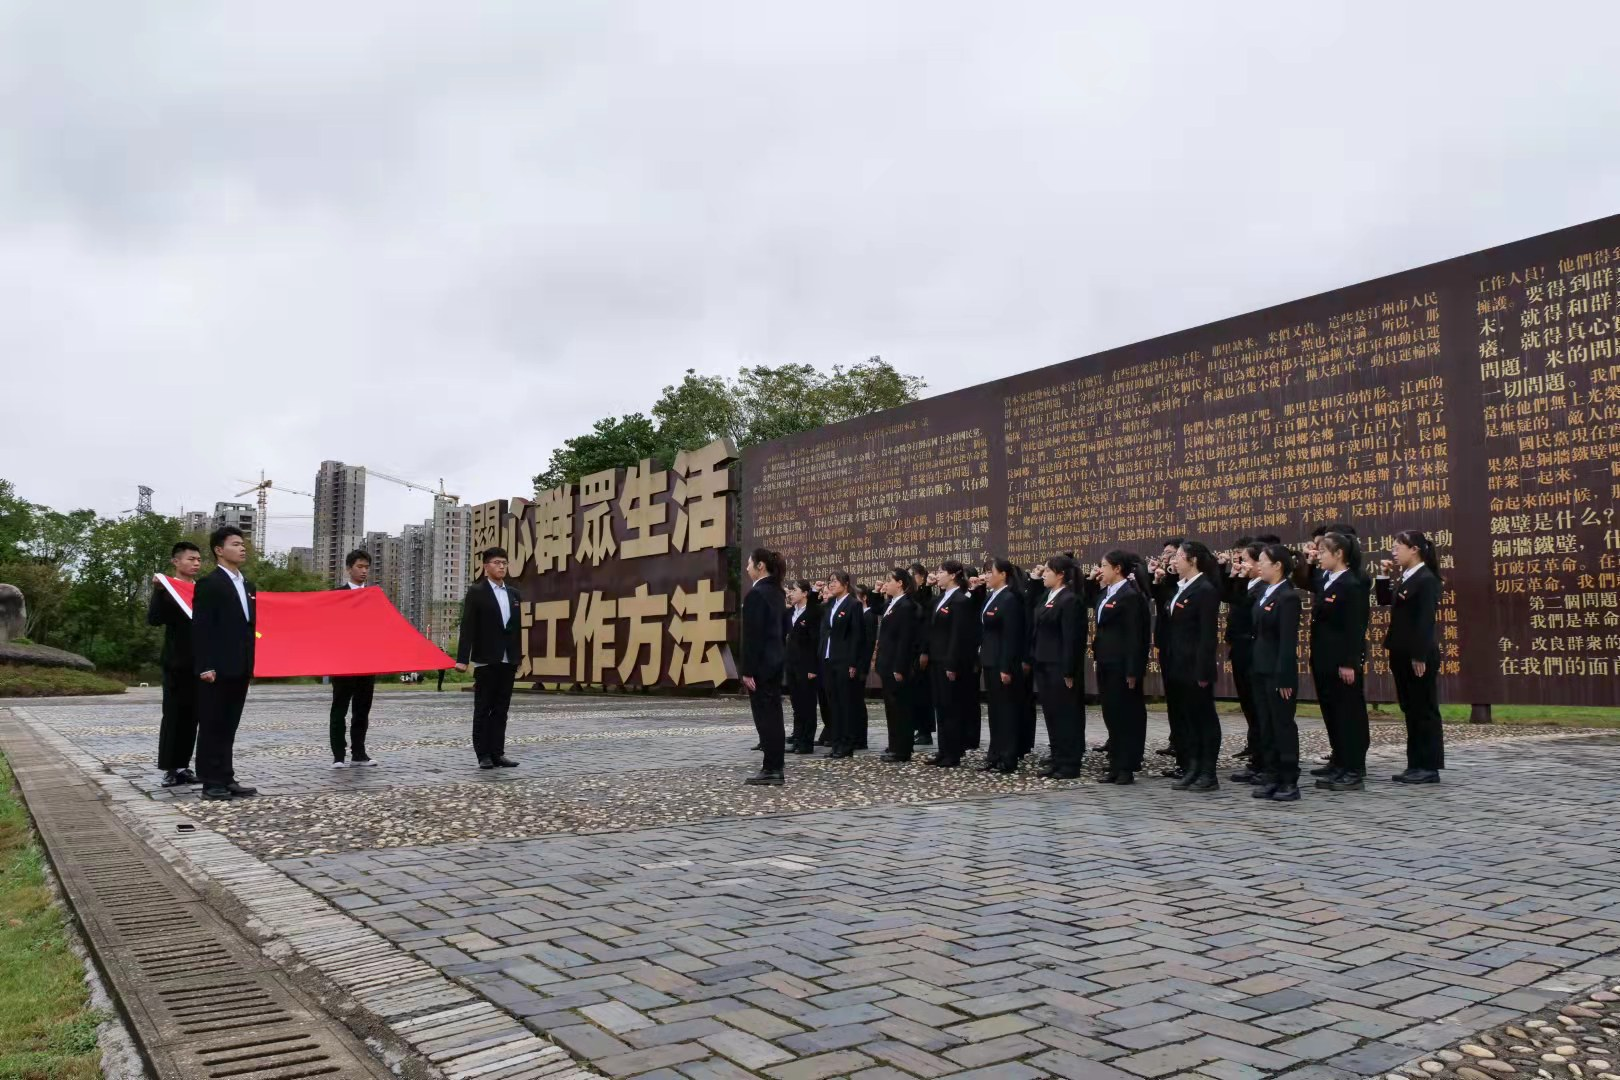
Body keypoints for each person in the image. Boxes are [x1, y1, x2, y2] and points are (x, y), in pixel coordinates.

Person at [192, 526, 259, 801]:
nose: (242, 548)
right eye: (235, 544)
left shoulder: (248, 585)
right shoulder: (209, 584)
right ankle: (211, 782)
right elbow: (201, 628)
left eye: (242, 544)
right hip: (216, 668)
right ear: (219, 550)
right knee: (212, 724)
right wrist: (205, 665)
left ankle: (226, 777)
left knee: (229, 724)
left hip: (240, 666)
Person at [1375, 530, 1444, 784]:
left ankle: (1429, 766)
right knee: (1410, 709)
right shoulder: (1407, 576)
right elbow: (1385, 600)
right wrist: (1383, 575)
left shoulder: (1426, 579)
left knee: (1424, 710)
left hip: (1417, 655)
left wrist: (1419, 655)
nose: (1394, 552)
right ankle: (1415, 764)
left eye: (1398, 547)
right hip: (1401, 652)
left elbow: (1425, 620)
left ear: (1414, 549)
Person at [1310, 532, 1371, 791]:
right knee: (1332, 712)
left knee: (1348, 715)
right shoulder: (1326, 580)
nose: (1319, 556)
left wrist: (1349, 662)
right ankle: (1339, 763)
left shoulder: (1351, 584)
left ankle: (1353, 769)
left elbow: (1355, 626)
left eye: (1324, 551)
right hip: (1324, 658)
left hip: (1341, 661)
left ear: (1339, 554)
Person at [454, 547, 522, 769]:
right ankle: (483, 754)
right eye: (496, 562)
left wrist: (518, 657)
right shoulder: (477, 592)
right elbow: (468, 626)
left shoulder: (514, 594)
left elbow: (516, 629)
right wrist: (462, 658)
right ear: (486, 567)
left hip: (508, 659)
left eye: (504, 563)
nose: (501, 566)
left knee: (501, 709)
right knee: (484, 708)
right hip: (486, 658)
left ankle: (498, 753)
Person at [1164, 540, 1222, 792]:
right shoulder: (1181, 587)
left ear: (1193, 560)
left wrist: (1203, 669)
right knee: (1188, 719)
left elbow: (1208, 636)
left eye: (1178, 556)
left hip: (1195, 666)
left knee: (1204, 718)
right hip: (1178, 664)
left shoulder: (1205, 589)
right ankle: (1193, 767)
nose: (1174, 561)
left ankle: (1208, 772)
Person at [1249, 544, 1304, 801]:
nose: (1258, 566)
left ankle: (1289, 779)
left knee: (1282, 725)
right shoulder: (1263, 591)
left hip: (1277, 671)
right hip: (1260, 668)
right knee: (1266, 724)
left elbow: (1287, 641)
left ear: (1278, 565)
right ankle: (1271, 775)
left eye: (1263, 561)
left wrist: (1285, 676)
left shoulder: (1288, 596)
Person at [1092, 550, 1151, 784]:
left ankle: (1127, 765)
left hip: (1122, 664)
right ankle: (1115, 763)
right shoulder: (1106, 593)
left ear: (1117, 569)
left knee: (1126, 715)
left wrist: (1133, 670)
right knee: (1111, 713)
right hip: (1105, 661)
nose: (1101, 570)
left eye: (1104, 566)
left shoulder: (1130, 595)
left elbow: (1135, 636)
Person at [148, 540, 202, 787]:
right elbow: (154, 619)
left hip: (200, 663)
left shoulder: (202, 590)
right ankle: (170, 768)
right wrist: (159, 591)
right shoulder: (168, 588)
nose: (196, 563)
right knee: (173, 716)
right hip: (176, 663)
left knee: (193, 716)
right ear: (176, 561)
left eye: (198, 559)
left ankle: (183, 766)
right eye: (191, 559)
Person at [1031, 554, 1084, 779]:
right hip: (1043, 663)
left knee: (1065, 715)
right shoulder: (1048, 596)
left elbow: (1071, 638)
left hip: (1059, 666)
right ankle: (1057, 758)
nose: (1044, 575)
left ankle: (1069, 763)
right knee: (1052, 714)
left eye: (1048, 571)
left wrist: (1069, 670)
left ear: (1060, 575)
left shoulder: (1070, 600)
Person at [921, 561, 977, 767]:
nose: (938, 575)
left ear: (953, 575)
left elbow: (957, 635)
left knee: (951, 706)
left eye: (941, 572)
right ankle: (943, 750)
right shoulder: (939, 599)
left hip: (949, 661)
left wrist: (952, 664)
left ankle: (953, 752)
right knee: (941, 706)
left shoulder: (960, 600)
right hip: (936, 659)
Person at [740, 549, 788, 786]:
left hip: (761, 666)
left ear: (760, 566)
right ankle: (775, 765)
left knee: (765, 717)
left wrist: (747, 670)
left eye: (749, 563)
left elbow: (752, 637)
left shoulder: (757, 594)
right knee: (774, 715)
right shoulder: (778, 593)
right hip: (776, 662)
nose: (747, 568)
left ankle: (772, 768)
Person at [330, 549, 378, 769]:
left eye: (367, 567)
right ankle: (338, 755)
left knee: (362, 709)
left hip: (367, 661)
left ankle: (359, 753)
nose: (364, 571)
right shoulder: (336, 595)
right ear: (349, 569)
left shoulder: (374, 596)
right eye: (359, 567)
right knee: (339, 708)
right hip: (342, 661)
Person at [1224, 541, 1267, 783]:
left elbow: (1243, 608)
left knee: (1259, 709)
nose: (1241, 564)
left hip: (1253, 652)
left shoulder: (1263, 588)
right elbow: (1229, 598)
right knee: (1249, 708)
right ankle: (1256, 757)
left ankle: (1263, 761)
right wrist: (1235, 577)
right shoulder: (1247, 584)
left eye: (1245, 560)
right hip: (1240, 652)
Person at [977, 559, 1026, 774]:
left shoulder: (1009, 599)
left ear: (1004, 574)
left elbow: (1011, 636)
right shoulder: (991, 596)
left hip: (1002, 662)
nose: (986, 576)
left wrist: (1006, 667)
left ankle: (1008, 757)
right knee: (995, 711)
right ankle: (994, 754)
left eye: (990, 572)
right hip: (989, 660)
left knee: (1006, 712)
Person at [818, 572, 866, 758]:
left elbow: (857, 635)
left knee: (845, 703)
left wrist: (853, 663)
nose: (831, 584)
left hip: (844, 660)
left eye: (835, 581)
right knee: (833, 703)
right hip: (828, 659)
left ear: (845, 584)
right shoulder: (830, 604)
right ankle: (836, 742)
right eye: (829, 581)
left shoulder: (853, 605)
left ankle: (847, 744)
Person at [1148, 536, 1184, 770]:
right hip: (1165, 642)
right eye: (1165, 554)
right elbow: (1161, 603)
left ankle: (1184, 745)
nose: (1166, 558)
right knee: (1172, 695)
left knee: (1183, 698)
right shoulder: (1166, 578)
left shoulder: (1184, 582)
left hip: (1180, 646)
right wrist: (1157, 579)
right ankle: (1175, 739)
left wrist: (1168, 577)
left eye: (1171, 554)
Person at [875, 569, 919, 762]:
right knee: (891, 709)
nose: (886, 584)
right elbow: (875, 608)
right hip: (886, 663)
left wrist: (900, 667)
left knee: (901, 709)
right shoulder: (891, 603)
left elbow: (905, 640)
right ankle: (894, 744)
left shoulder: (906, 605)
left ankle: (902, 749)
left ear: (900, 583)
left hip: (896, 664)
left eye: (889, 580)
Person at [784, 579, 821, 755]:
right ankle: (797, 739)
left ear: (805, 593)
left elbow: (815, 642)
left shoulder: (813, 613)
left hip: (807, 666)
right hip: (791, 665)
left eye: (794, 590)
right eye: (790, 590)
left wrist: (813, 668)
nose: (791, 593)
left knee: (808, 704)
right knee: (796, 704)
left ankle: (807, 742)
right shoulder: (790, 612)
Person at [908, 563, 936, 746]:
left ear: (921, 577)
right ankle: (916, 728)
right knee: (913, 694)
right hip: (911, 650)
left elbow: (927, 627)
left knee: (923, 693)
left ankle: (925, 731)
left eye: (912, 576)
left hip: (922, 651)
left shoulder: (927, 598)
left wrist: (925, 651)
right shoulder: (911, 597)